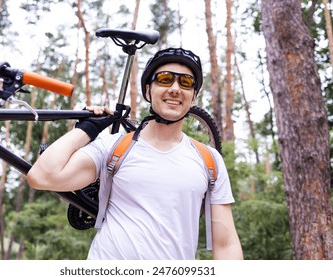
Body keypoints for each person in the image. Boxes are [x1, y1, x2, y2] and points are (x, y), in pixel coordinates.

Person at [27, 47, 243, 260]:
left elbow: (225, 243)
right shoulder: (113, 147)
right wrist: (87, 129)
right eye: (165, 79)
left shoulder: (209, 160)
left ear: (193, 95)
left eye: (185, 82)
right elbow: (42, 176)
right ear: (148, 91)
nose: (175, 88)